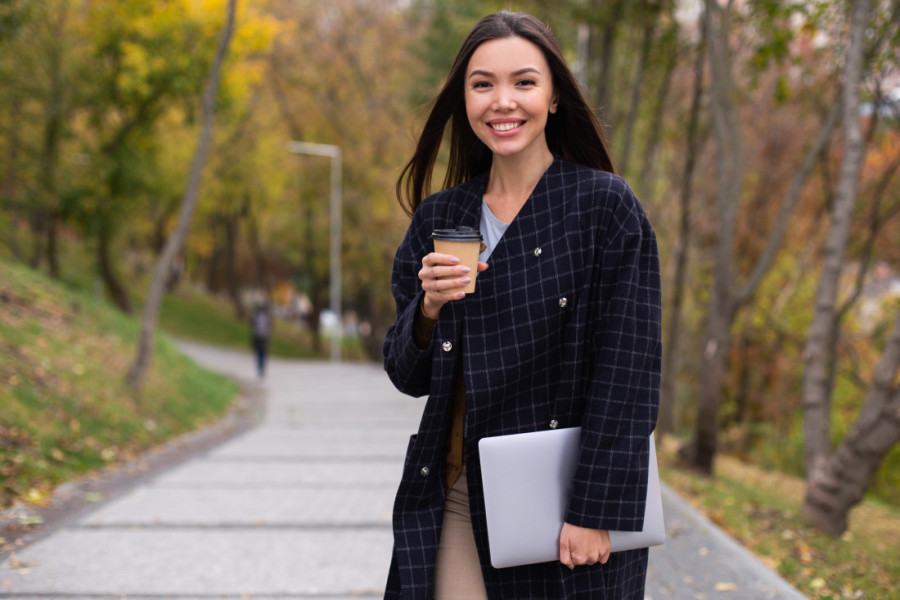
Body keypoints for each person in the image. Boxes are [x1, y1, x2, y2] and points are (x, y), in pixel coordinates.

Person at [382, 11, 661, 600]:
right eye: (483, 84)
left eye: (524, 82)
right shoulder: (441, 218)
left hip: (565, 496)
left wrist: (594, 509)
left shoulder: (604, 208)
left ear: (555, 96)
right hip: (458, 491)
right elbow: (407, 376)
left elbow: (628, 373)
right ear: (464, 99)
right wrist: (427, 311)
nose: (502, 101)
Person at [251, 303, 270, 378]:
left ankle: (259, 368)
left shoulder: (256, 318)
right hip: (264, 339)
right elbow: (268, 330)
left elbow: (253, 330)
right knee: (263, 355)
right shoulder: (266, 318)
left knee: (258, 354)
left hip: (257, 338)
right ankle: (262, 369)